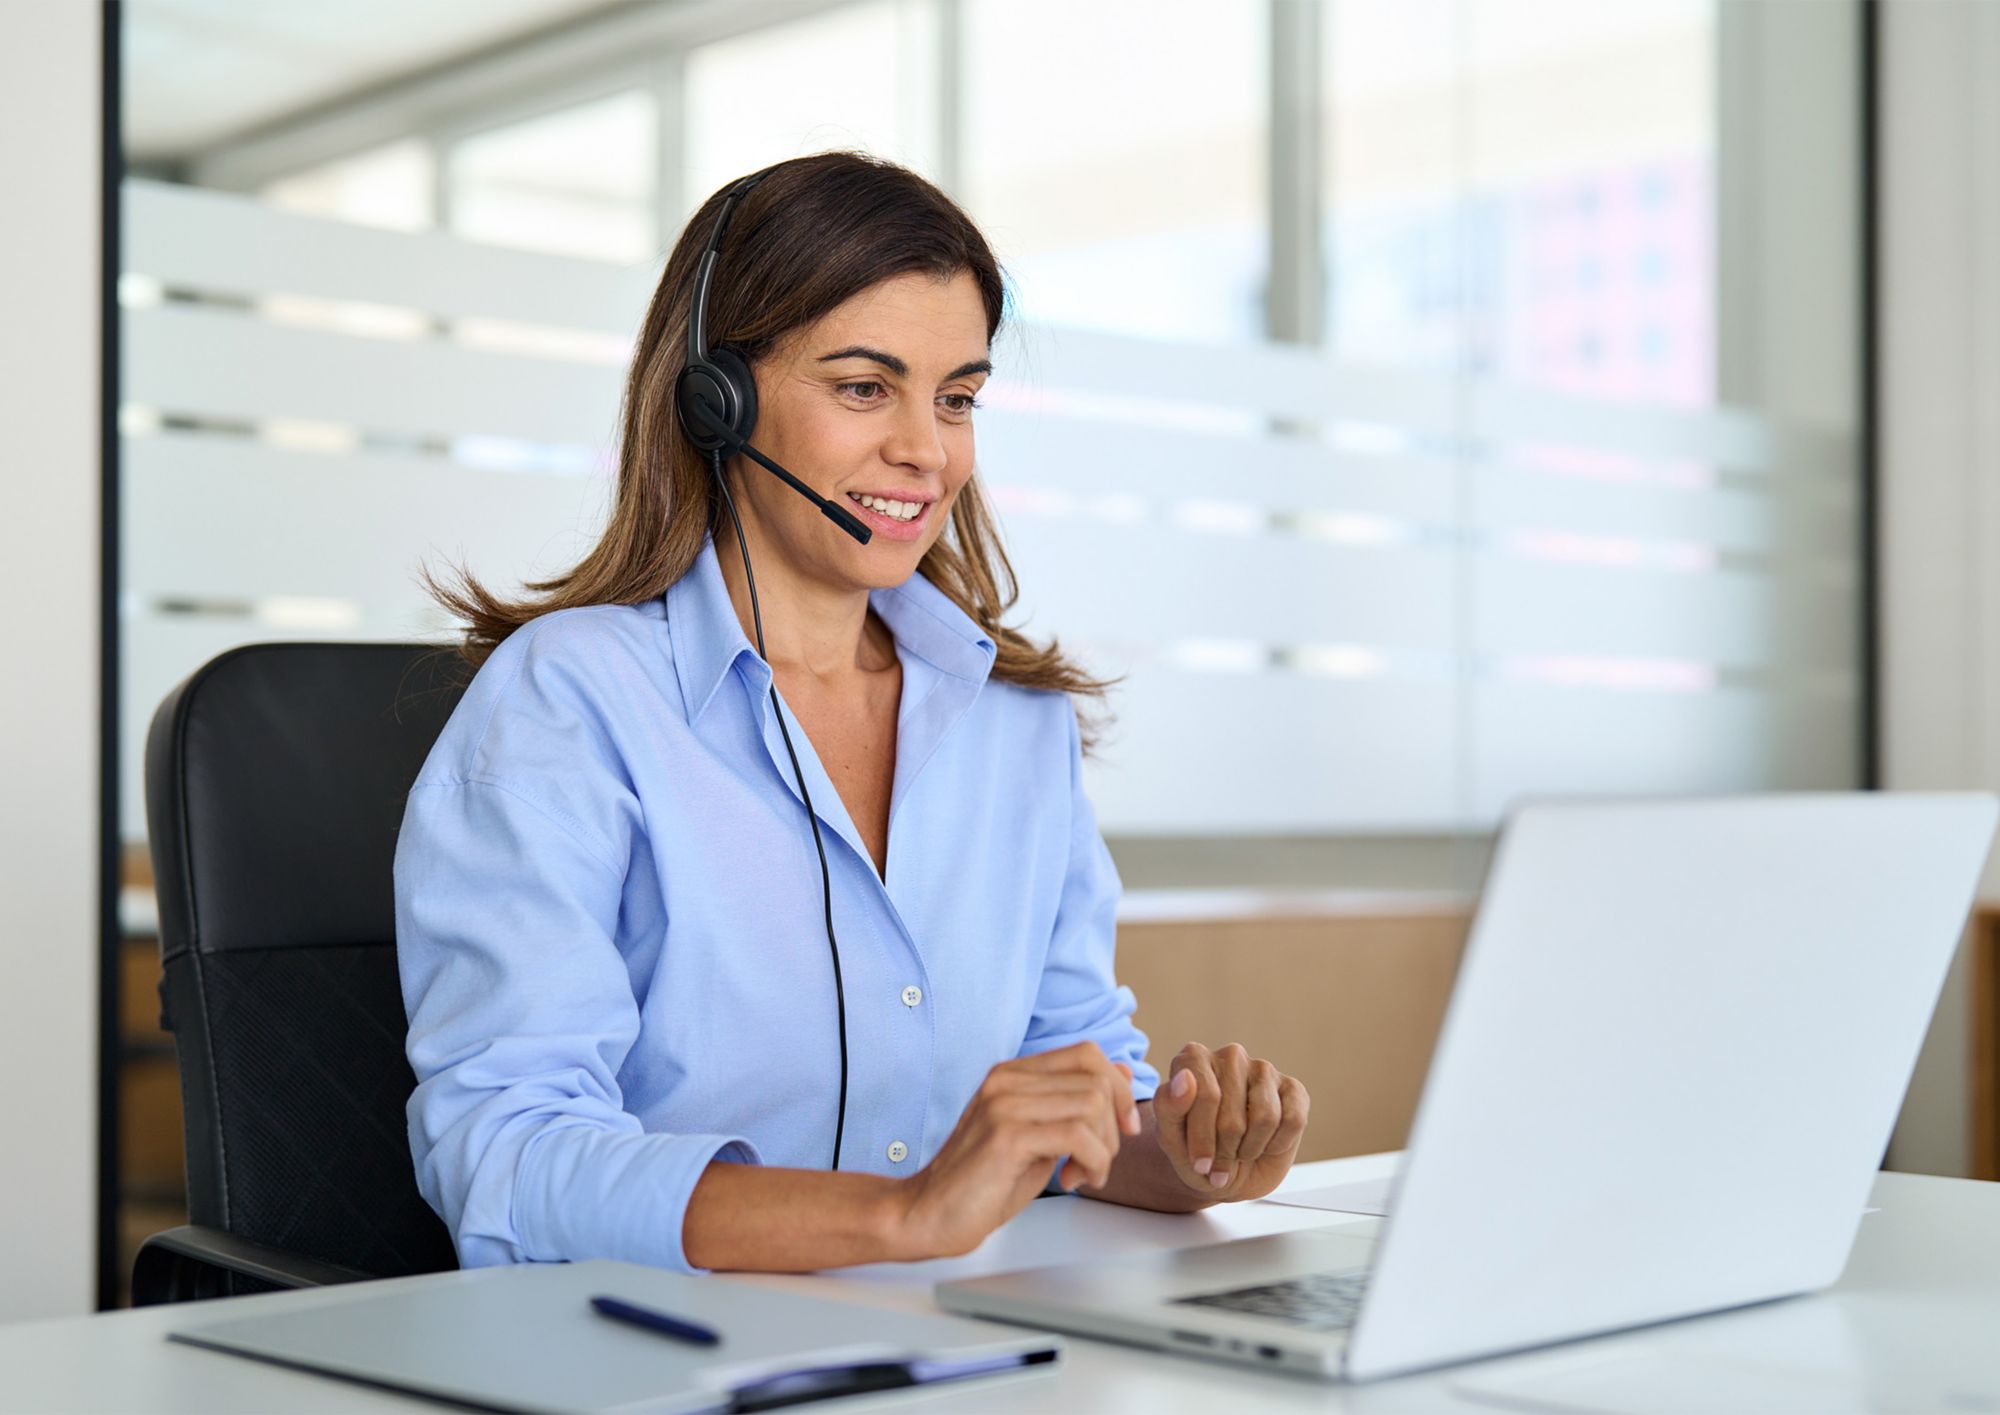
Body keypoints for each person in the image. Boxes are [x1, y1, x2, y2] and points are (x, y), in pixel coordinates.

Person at [394, 151, 1310, 1274]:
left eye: (956, 398)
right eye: (863, 387)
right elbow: (507, 1153)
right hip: (658, 1355)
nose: (924, 450)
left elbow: (1072, 1089)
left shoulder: (1011, 723)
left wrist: (1191, 1153)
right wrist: (900, 1215)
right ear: (714, 399)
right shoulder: (568, 704)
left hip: (965, 1347)